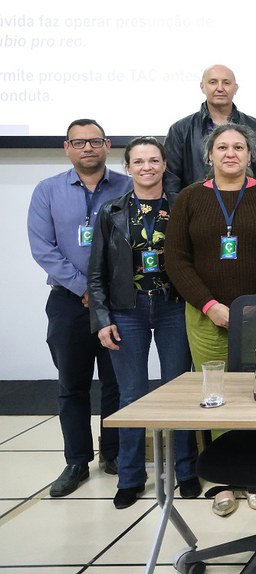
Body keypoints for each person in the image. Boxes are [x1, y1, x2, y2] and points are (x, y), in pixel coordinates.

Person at [165, 123, 256, 516]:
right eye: (222, 147)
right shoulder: (190, 198)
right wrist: (209, 305)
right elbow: (176, 258)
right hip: (206, 315)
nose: (230, 153)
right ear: (210, 155)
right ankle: (224, 478)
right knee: (217, 396)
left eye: (238, 147)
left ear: (250, 154)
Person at [88, 137, 200, 509]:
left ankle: (186, 471)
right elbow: (96, 272)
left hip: (173, 308)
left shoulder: (183, 205)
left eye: (154, 160)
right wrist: (102, 318)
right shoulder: (111, 211)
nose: (147, 167)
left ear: (165, 165)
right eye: (139, 161)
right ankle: (131, 477)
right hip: (127, 311)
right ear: (128, 167)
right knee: (131, 396)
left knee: (178, 392)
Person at [27, 119, 132, 498]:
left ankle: (115, 454)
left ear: (107, 146)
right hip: (68, 303)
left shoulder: (128, 185)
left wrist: (103, 291)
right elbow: (43, 249)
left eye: (95, 141)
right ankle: (76, 461)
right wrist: (85, 288)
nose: (87, 148)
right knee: (71, 385)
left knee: (115, 383)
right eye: (78, 142)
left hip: (117, 302)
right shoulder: (48, 191)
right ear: (67, 148)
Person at [165, 65, 256, 188]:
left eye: (226, 83)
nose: (220, 88)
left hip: (247, 203)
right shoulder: (180, 129)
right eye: (213, 82)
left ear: (235, 88)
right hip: (196, 204)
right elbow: (171, 180)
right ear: (202, 87)